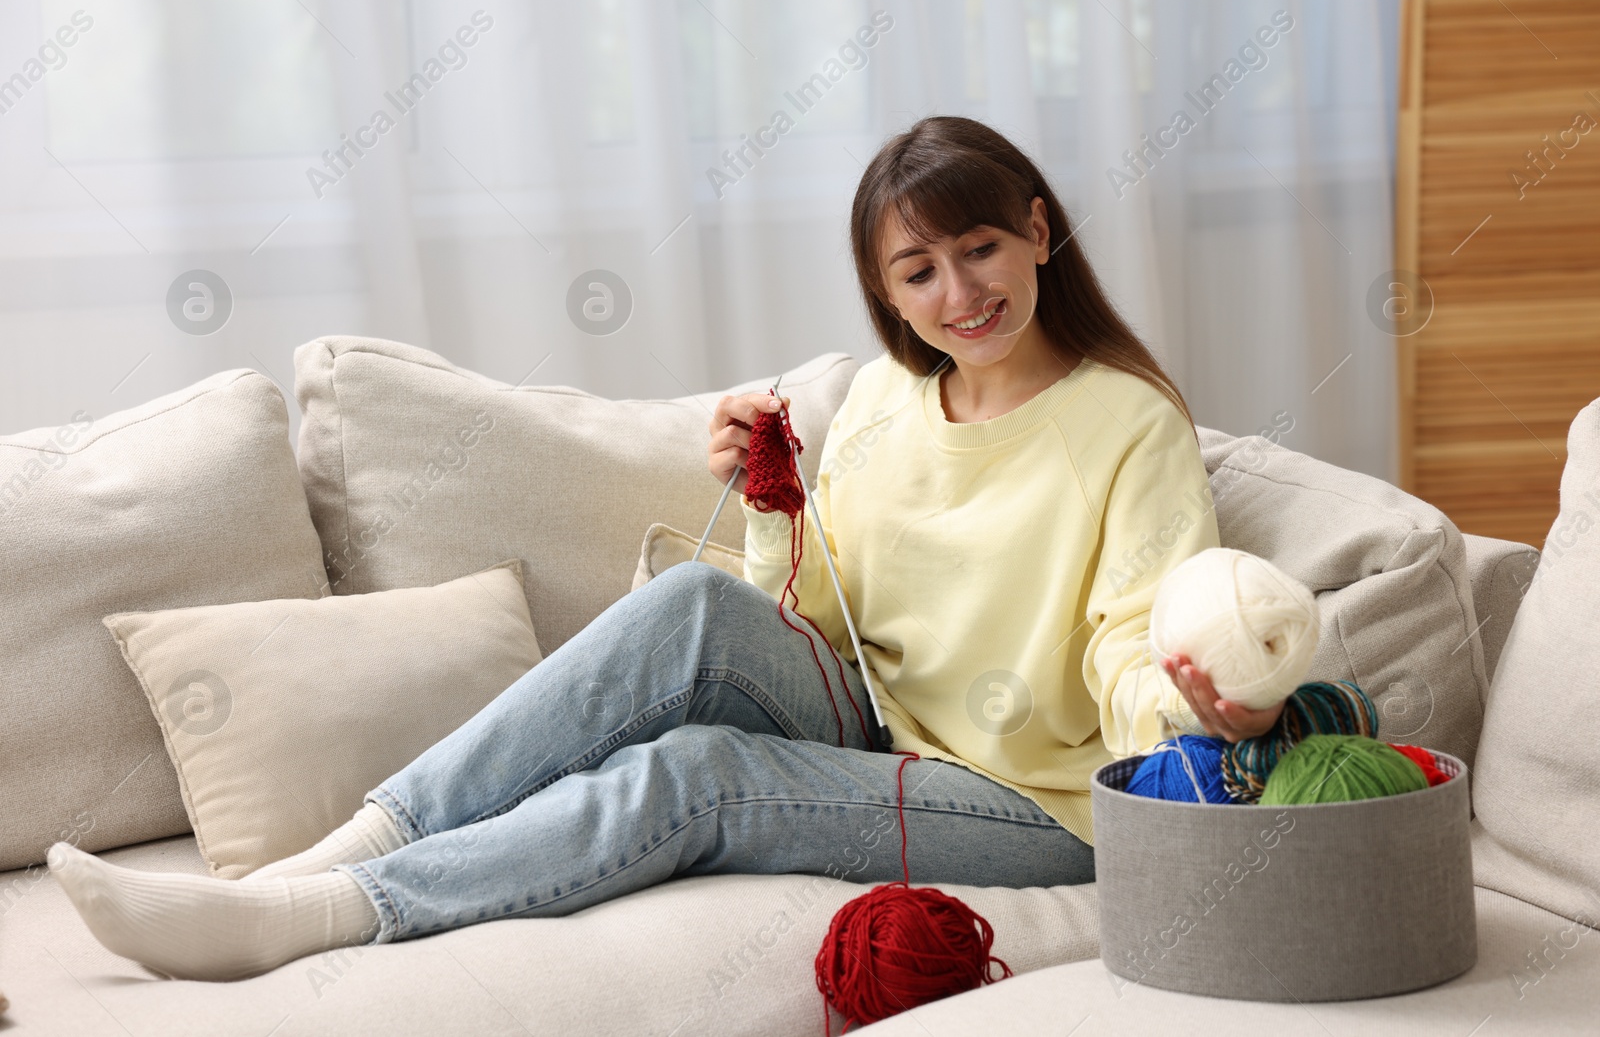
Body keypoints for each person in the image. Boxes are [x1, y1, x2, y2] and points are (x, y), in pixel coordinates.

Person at [48, 115, 1285, 982]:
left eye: (979, 248)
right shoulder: (888, 406)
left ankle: (326, 912)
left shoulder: (1125, 422)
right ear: (885, 294)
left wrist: (1188, 714)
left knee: (695, 775)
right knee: (692, 606)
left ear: (1034, 231)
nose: (959, 291)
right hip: (875, 713)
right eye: (918, 270)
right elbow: (801, 612)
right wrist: (765, 503)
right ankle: (340, 850)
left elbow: (1133, 637)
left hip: (1033, 799)